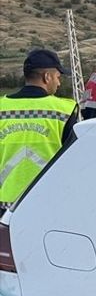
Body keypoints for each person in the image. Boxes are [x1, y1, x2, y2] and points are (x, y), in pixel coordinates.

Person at [0, 50, 77, 209]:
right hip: (48, 201)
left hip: (5, 205)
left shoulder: (2, 107)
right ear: (47, 77)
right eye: (58, 77)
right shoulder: (64, 110)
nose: (59, 83)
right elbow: (74, 158)